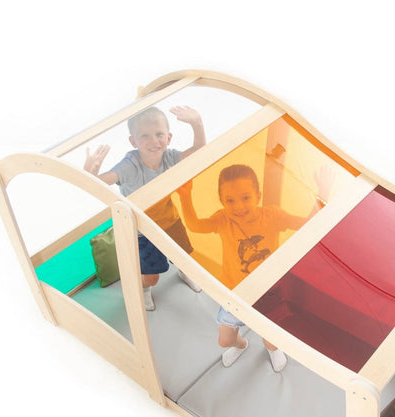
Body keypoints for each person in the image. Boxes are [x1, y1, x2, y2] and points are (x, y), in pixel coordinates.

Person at [177, 163, 333, 372]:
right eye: (230, 201)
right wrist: (185, 196)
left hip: (269, 292)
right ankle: (242, 345)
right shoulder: (223, 219)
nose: (238, 207)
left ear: (257, 196)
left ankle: (273, 349)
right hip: (235, 293)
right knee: (225, 340)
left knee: (272, 340)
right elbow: (195, 225)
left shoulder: (271, 216)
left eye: (245, 198)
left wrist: (322, 193)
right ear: (222, 202)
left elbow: (307, 224)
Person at [84, 106, 206, 311]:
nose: (153, 141)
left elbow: (199, 151)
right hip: (143, 231)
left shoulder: (169, 156)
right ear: (133, 141)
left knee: (185, 257)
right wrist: (90, 173)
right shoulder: (130, 165)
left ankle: (183, 271)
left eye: (159, 134)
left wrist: (197, 123)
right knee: (151, 277)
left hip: (171, 221)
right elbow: (103, 182)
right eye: (145, 136)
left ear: (168, 137)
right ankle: (144, 288)